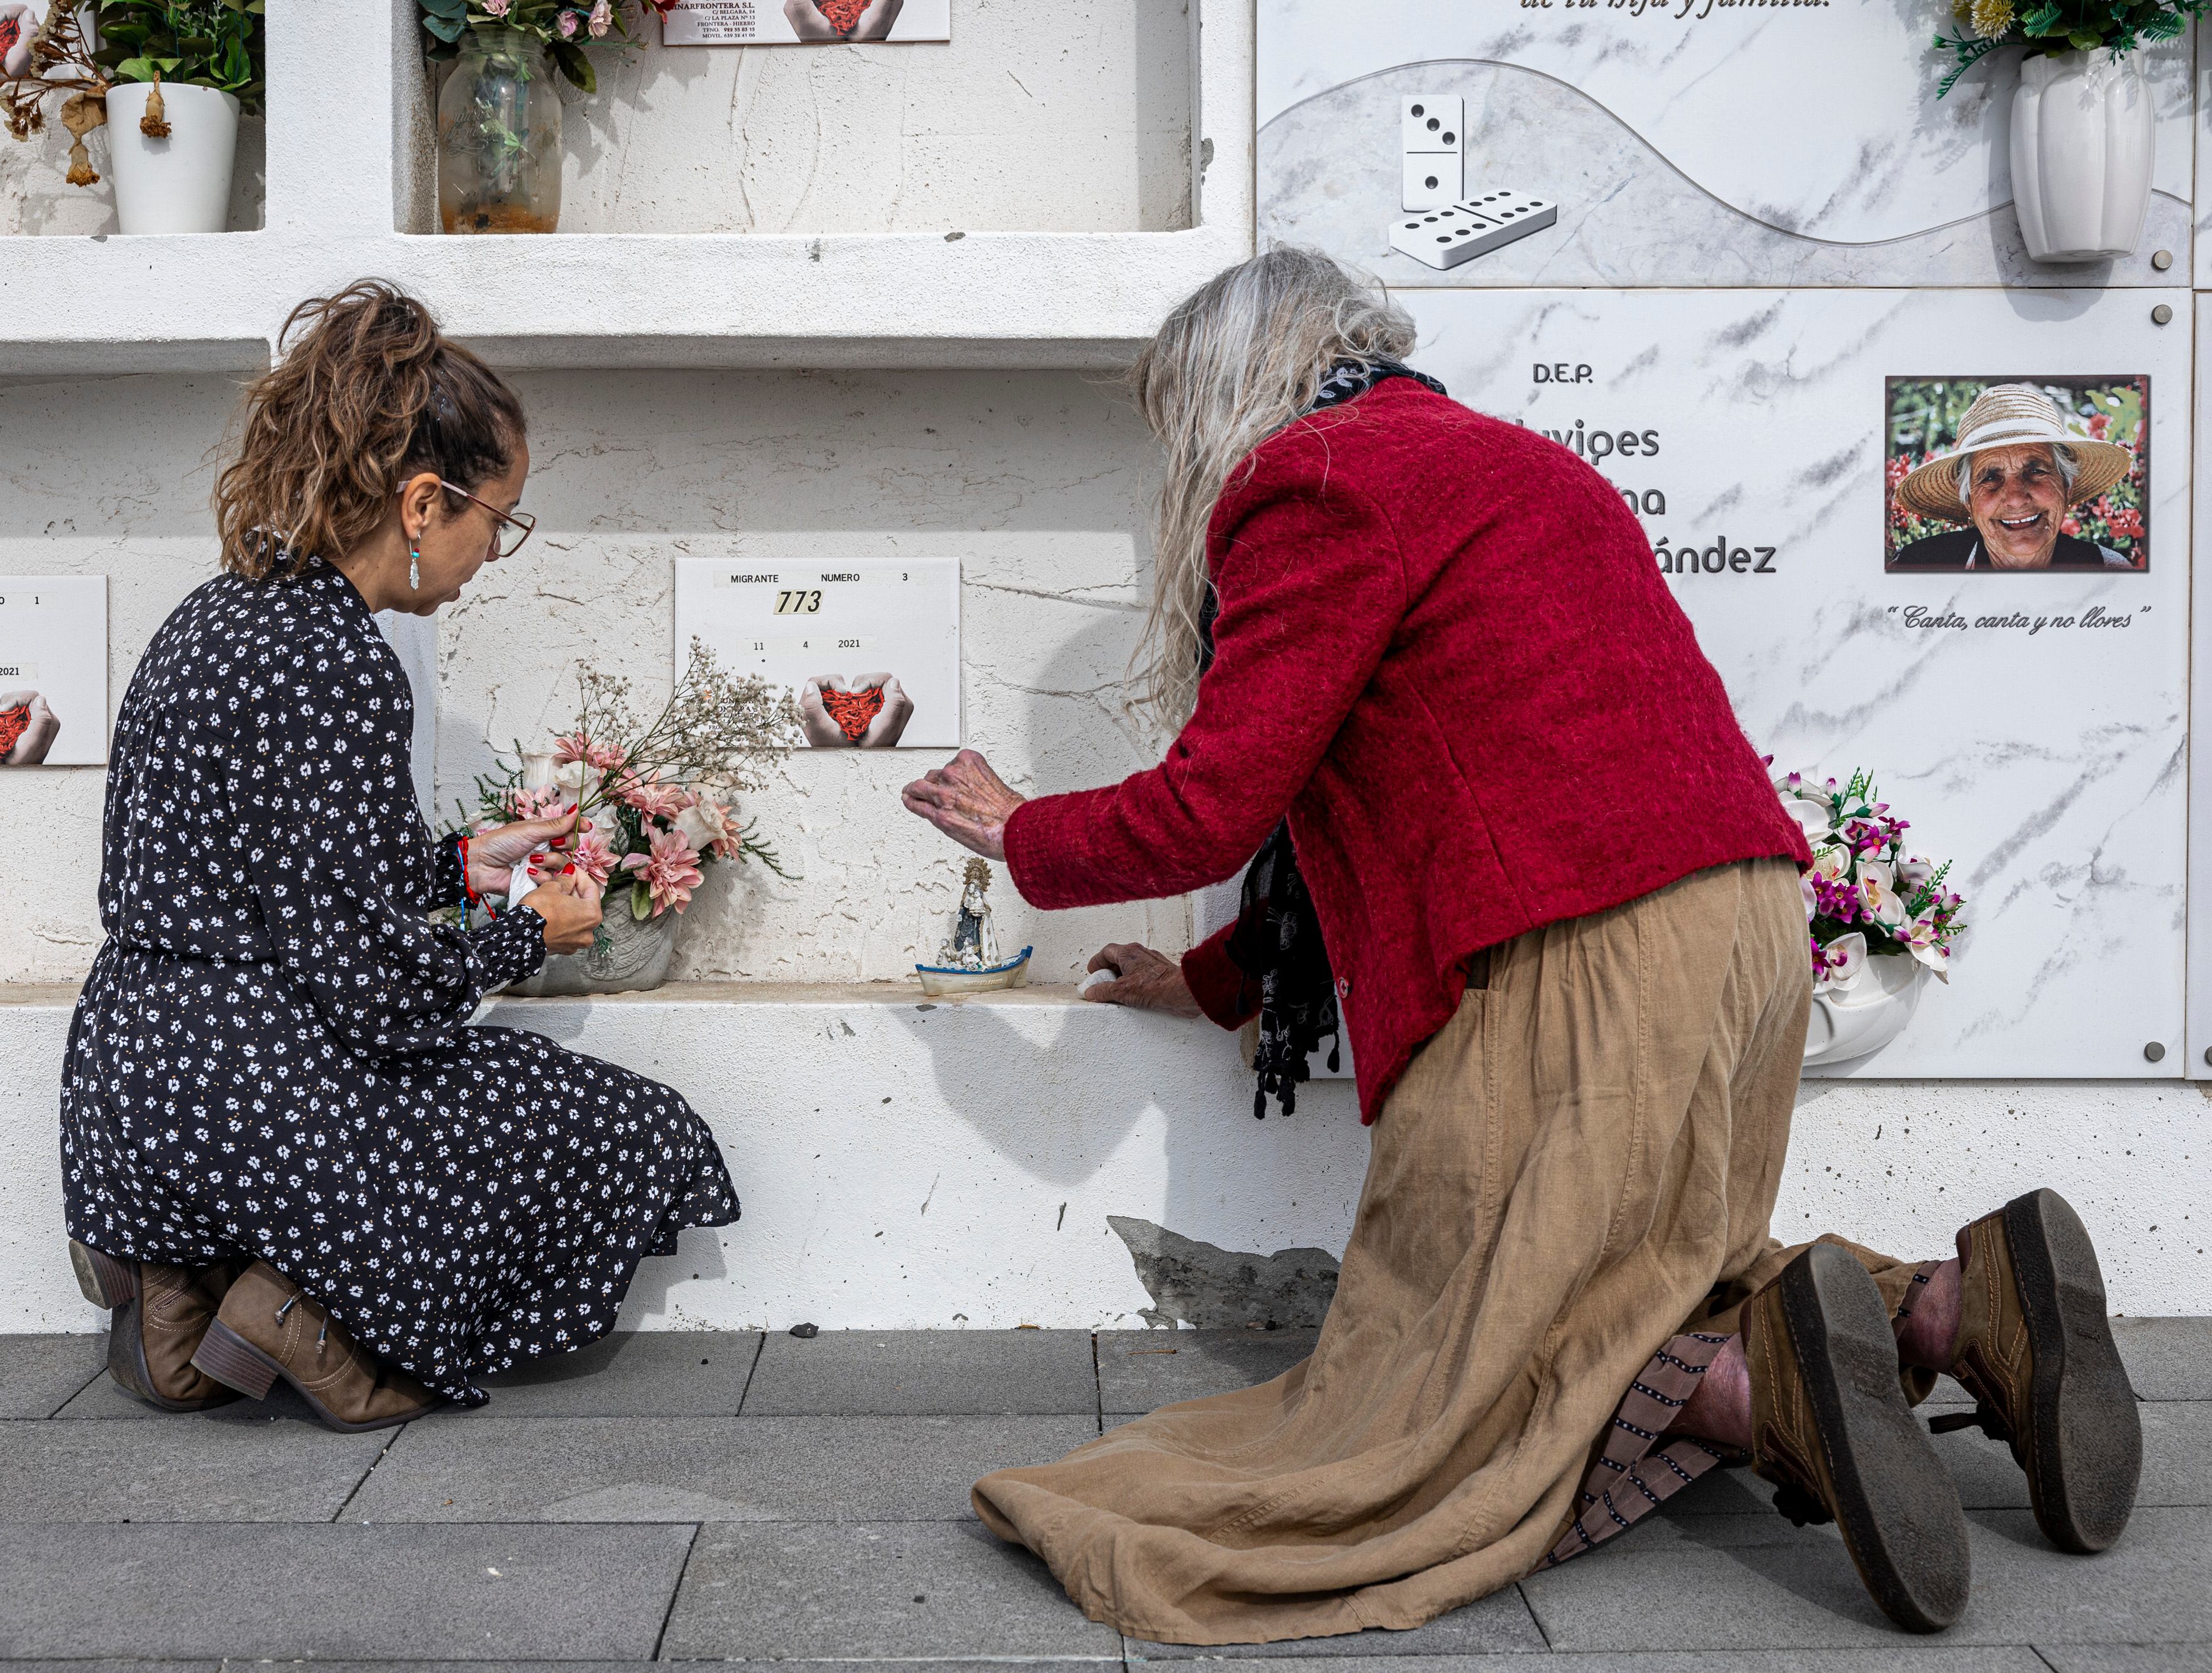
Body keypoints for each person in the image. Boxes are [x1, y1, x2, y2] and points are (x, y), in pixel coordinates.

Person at [902, 249, 2141, 1644]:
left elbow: (1219, 801)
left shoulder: (1311, 482)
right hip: (1734, 924)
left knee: (1456, 1357)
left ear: (1221, 393)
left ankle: (1750, 1395)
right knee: (1664, 1253)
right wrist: (1206, 983)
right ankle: (1954, 1312)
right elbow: (1378, 801)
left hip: (1572, 953)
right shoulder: (1517, 466)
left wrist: (1021, 834)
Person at [61, 281, 741, 1432]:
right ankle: (306, 1313)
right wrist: (537, 929)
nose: (496, 551)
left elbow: (260, 876)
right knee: (625, 1125)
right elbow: (372, 993)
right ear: (424, 502)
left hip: (127, 1080)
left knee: (446, 1093)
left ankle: (178, 1299)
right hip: (247, 1092)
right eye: (499, 516)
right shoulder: (340, 664)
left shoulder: (216, 615)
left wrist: (466, 862)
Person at [1889, 383, 2136, 571]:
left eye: (2036, 472)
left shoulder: (2107, 571)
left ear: (2067, 487)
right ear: (1968, 501)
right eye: (1990, 478)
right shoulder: (1920, 568)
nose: (2016, 499)